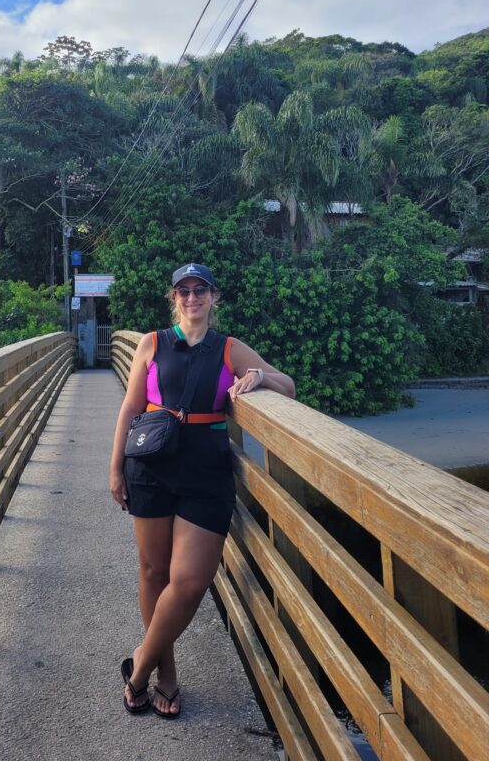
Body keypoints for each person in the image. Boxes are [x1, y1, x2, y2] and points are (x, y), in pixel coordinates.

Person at [109, 262, 295, 718]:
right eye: (184, 291)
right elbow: (131, 406)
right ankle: (166, 676)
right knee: (154, 572)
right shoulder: (152, 344)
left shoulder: (230, 350)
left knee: (190, 582)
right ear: (174, 298)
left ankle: (138, 670)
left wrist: (259, 378)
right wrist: (115, 468)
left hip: (205, 470)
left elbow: (288, 386)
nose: (192, 298)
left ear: (215, 298)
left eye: (200, 290)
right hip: (150, 464)